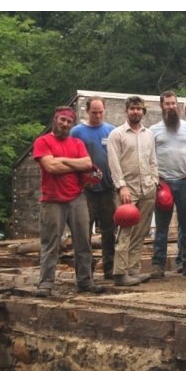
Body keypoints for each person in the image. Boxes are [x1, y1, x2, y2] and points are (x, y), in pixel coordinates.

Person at [32, 105, 105, 297]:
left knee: (83, 242)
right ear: (55, 120)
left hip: (76, 197)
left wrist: (61, 159)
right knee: (50, 243)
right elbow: (51, 167)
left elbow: (88, 164)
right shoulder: (42, 141)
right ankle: (46, 284)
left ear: (72, 124)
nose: (65, 124)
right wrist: (75, 165)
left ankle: (85, 281)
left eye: (69, 121)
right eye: (62, 120)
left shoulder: (77, 143)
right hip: (52, 200)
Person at [107, 96, 158, 287]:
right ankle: (120, 273)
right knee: (125, 230)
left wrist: (155, 180)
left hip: (147, 187)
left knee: (141, 231)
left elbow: (153, 159)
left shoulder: (149, 134)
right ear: (126, 111)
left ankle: (134, 270)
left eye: (139, 108)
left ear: (143, 111)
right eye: (132, 109)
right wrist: (121, 186)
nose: (135, 112)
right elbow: (113, 162)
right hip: (127, 190)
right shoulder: (117, 134)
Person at [149, 91, 186, 278]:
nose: (171, 107)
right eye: (167, 104)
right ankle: (157, 265)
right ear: (161, 106)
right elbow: (149, 157)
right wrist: (156, 178)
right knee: (162, 226)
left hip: (185, 181)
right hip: (164, 184)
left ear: (178, 106)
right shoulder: (153, 131)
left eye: (173, 103)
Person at [70, 96, 117, 279]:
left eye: (100, 112)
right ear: (87, 111)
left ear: (104, 110)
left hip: (107, 188)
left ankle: (109, 268)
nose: (97, 115)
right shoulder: (77, 132)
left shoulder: (111, 131)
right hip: (85, 191)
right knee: (84, 231)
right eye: (94, 112)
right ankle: (85, 270)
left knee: (109, 230)